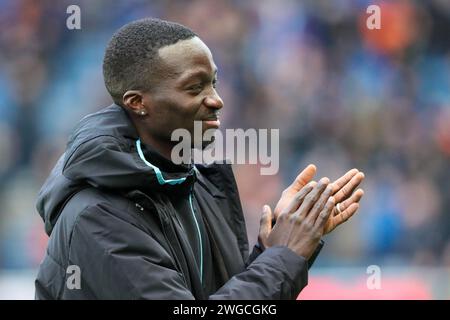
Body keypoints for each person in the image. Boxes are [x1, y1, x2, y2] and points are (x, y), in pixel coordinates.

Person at [35, 18, 364, 300]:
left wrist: (275, 248)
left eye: (214, 83)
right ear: (138, 103)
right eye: (194, 88)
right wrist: (283, 257)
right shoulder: (98, 217)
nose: (217, 100)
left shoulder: (199, 185)